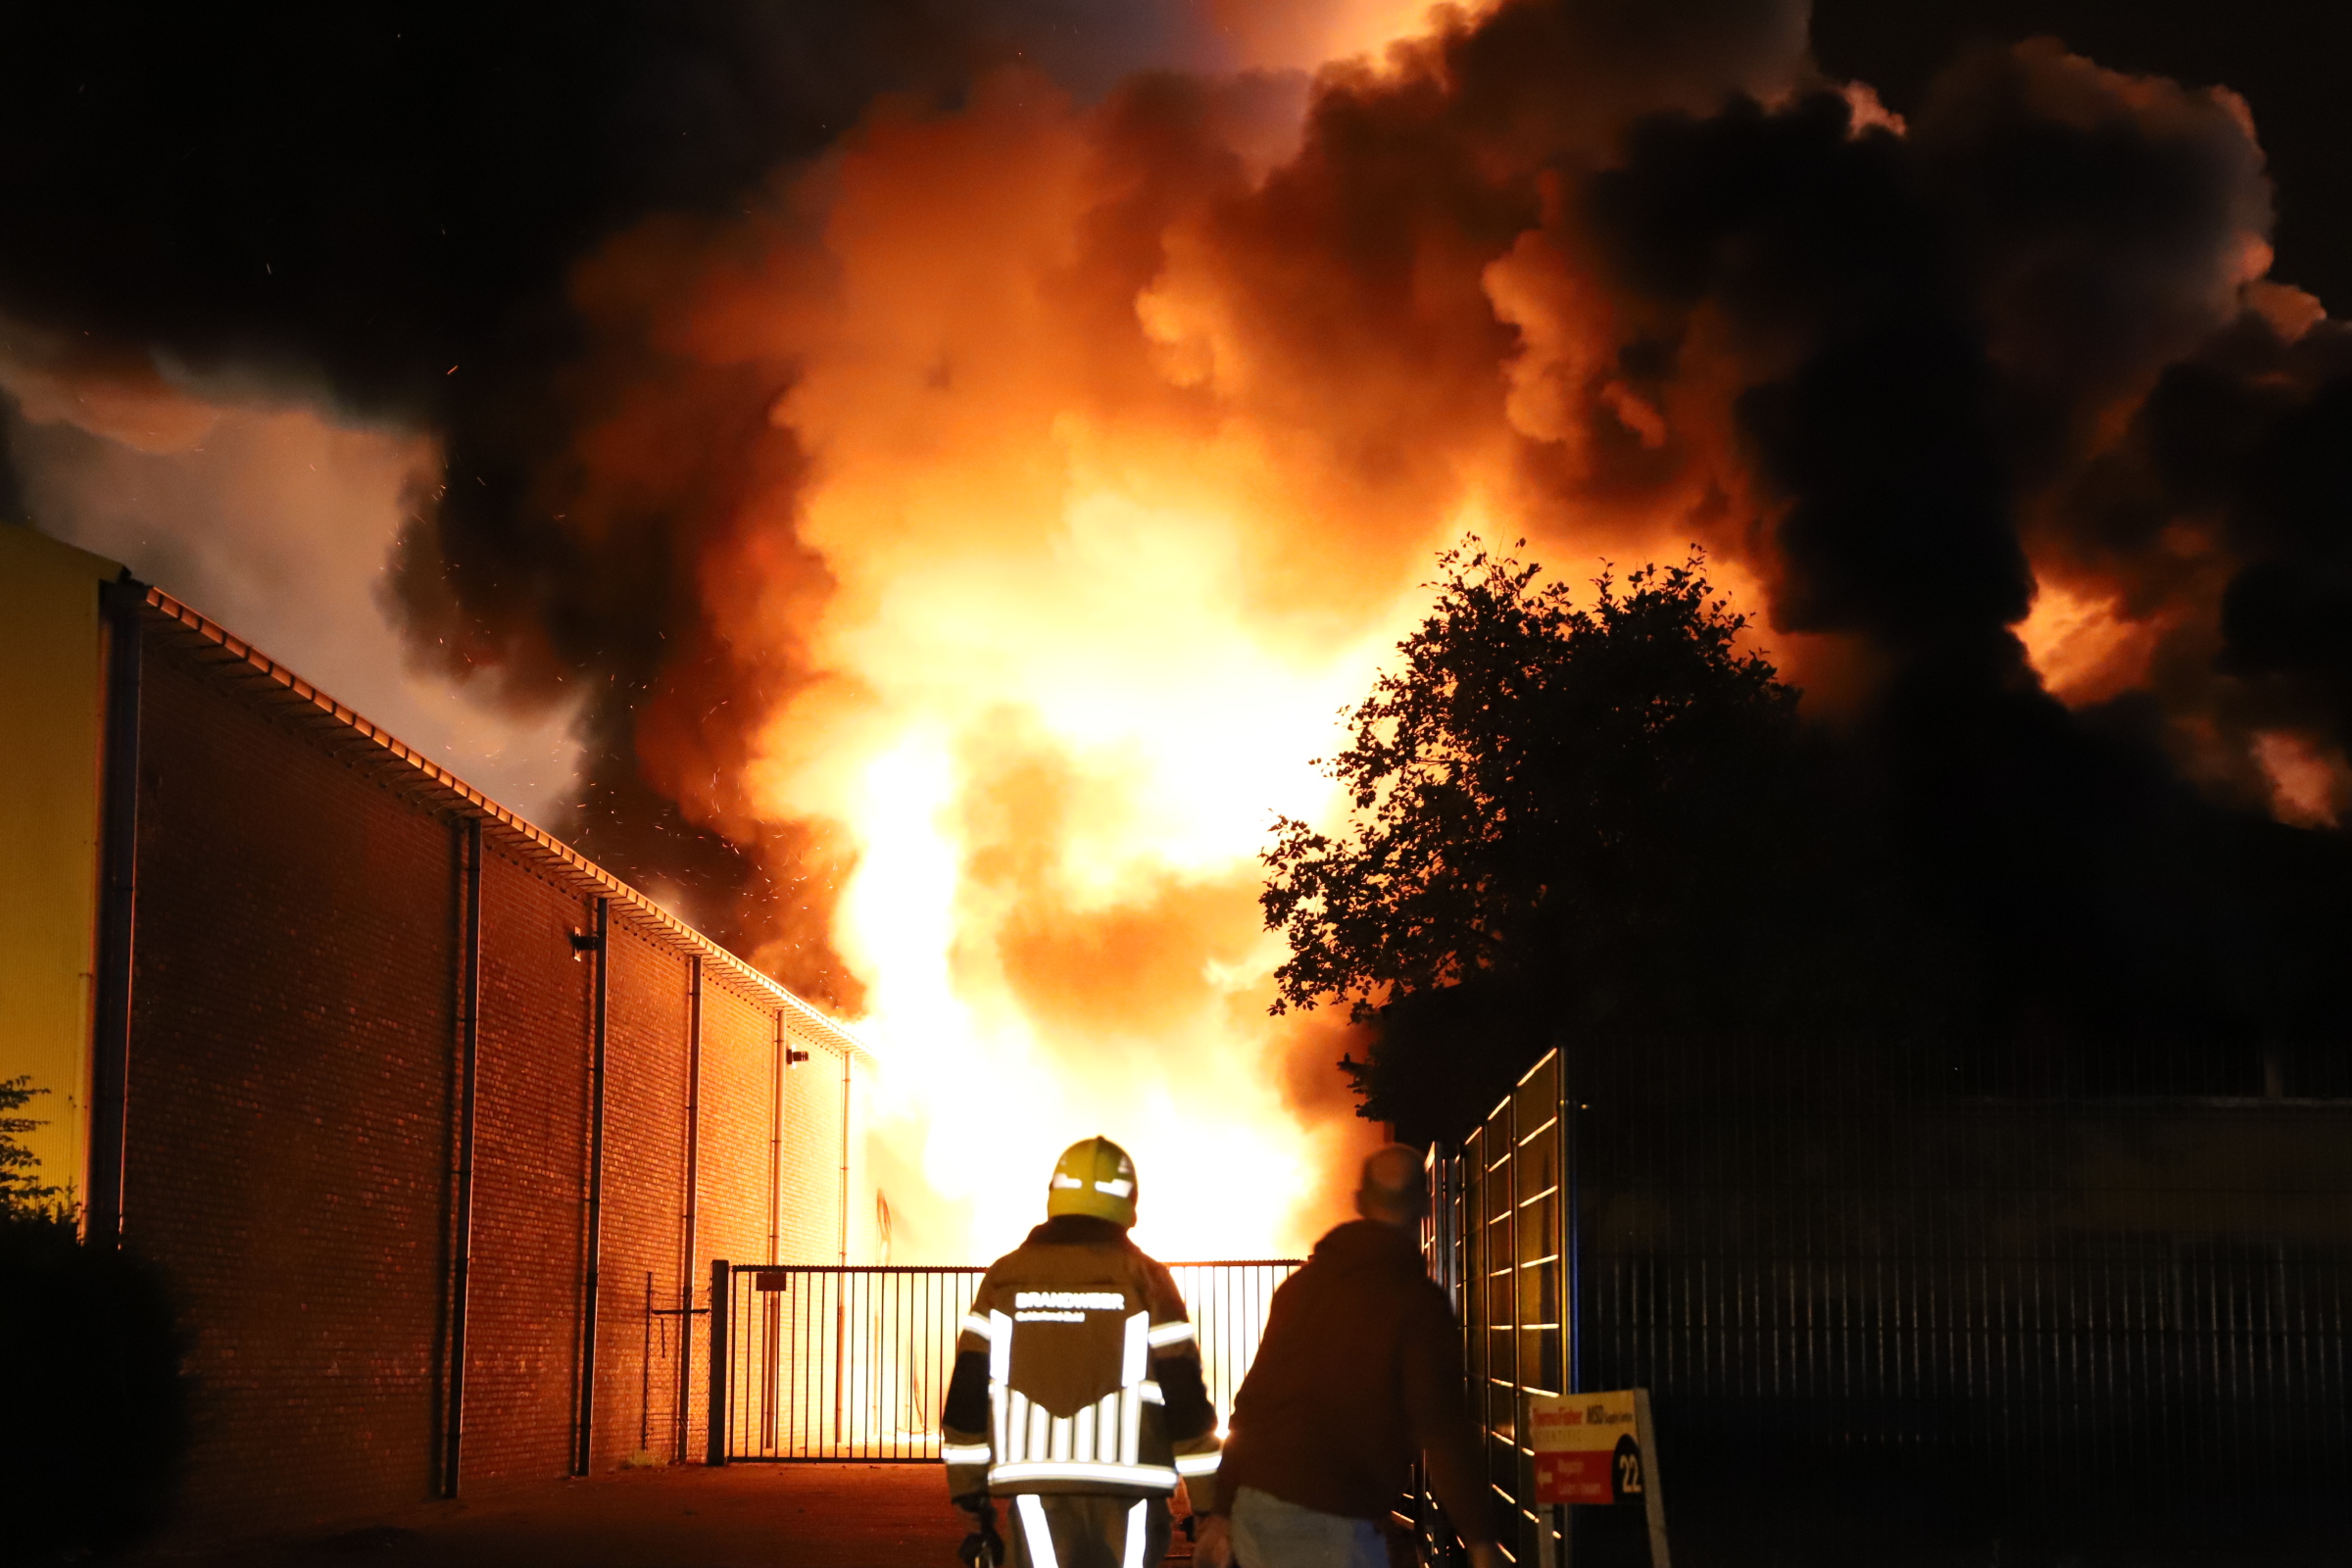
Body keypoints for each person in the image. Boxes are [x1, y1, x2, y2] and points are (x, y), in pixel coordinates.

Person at [1197, 1145, 1500, 1568]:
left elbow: (1253, 1403)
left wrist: (1222, 1509)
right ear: (1426, 1204)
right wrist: (1482, 1541)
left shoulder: (1301, 1288)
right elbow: (1441, 1424)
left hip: (1256, 1505)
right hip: (1336, 1518)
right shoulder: (1417, 1302)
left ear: (1359, 1201)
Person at [939, 1137, 1222, 1568]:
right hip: (1131, 1488)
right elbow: (1185, 1399)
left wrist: (967, 1493)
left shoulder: (1004, 1279)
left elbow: (967, 1394)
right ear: (1129, 1201)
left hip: (1035, 1485)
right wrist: (1209, 1505)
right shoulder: (1147, 1279)